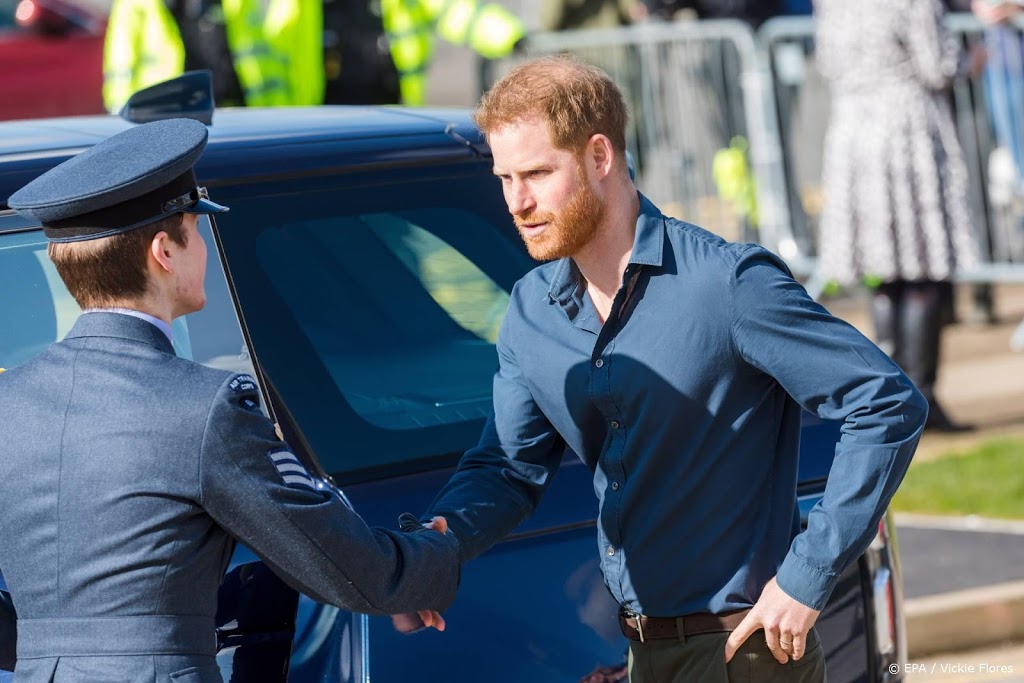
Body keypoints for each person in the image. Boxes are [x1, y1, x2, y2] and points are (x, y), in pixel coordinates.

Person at [414, 55, 926, 682]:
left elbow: (886, 402)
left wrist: (807, 577)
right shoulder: (529, 311)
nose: (517, 202)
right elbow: (509, 466)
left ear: (600, 157)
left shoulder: (728, 284)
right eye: (504, 178)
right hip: (638, 653)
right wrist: (435, 549)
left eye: (538, 174)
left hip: (749, 653)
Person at [0, 118, 458, 681]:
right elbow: (342, 565)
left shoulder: (7, 403)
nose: (206, 251)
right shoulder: (204, 406)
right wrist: (436, 556)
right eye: (197, 232)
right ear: (164, 251)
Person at [815, 0, 981, 432]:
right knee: (921, 268)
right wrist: (972, 59)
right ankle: (920, 395)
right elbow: (937, 63)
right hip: (906, 126)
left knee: (886, 270)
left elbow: (827, 59)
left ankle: (897, 393)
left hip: (854, 127)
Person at [102, 0, 312, 112]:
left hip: (236, 112)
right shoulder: (138, 4)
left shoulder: (238, 3)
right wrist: (121, 118)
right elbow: (121, 60)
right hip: (164, 116)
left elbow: (257, 52)